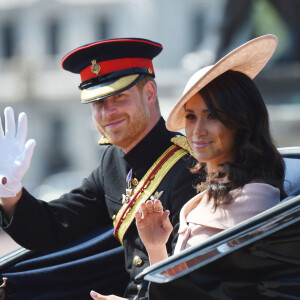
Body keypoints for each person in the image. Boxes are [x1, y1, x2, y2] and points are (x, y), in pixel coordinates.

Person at [0, 38, 198, 299]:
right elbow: (56, 226)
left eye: (119, 97)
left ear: (149, 93)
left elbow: (190, 276)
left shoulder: (188, 168)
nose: (107, 113)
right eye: (98, 103)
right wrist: (10, 191)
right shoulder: (113, 162)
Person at [135, 34, 287, 266]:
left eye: (212, 116)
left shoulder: (255, 201)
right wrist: (156, 247)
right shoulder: (204, 198)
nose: (197, 130)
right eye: (191, 117)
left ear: (241, 120)